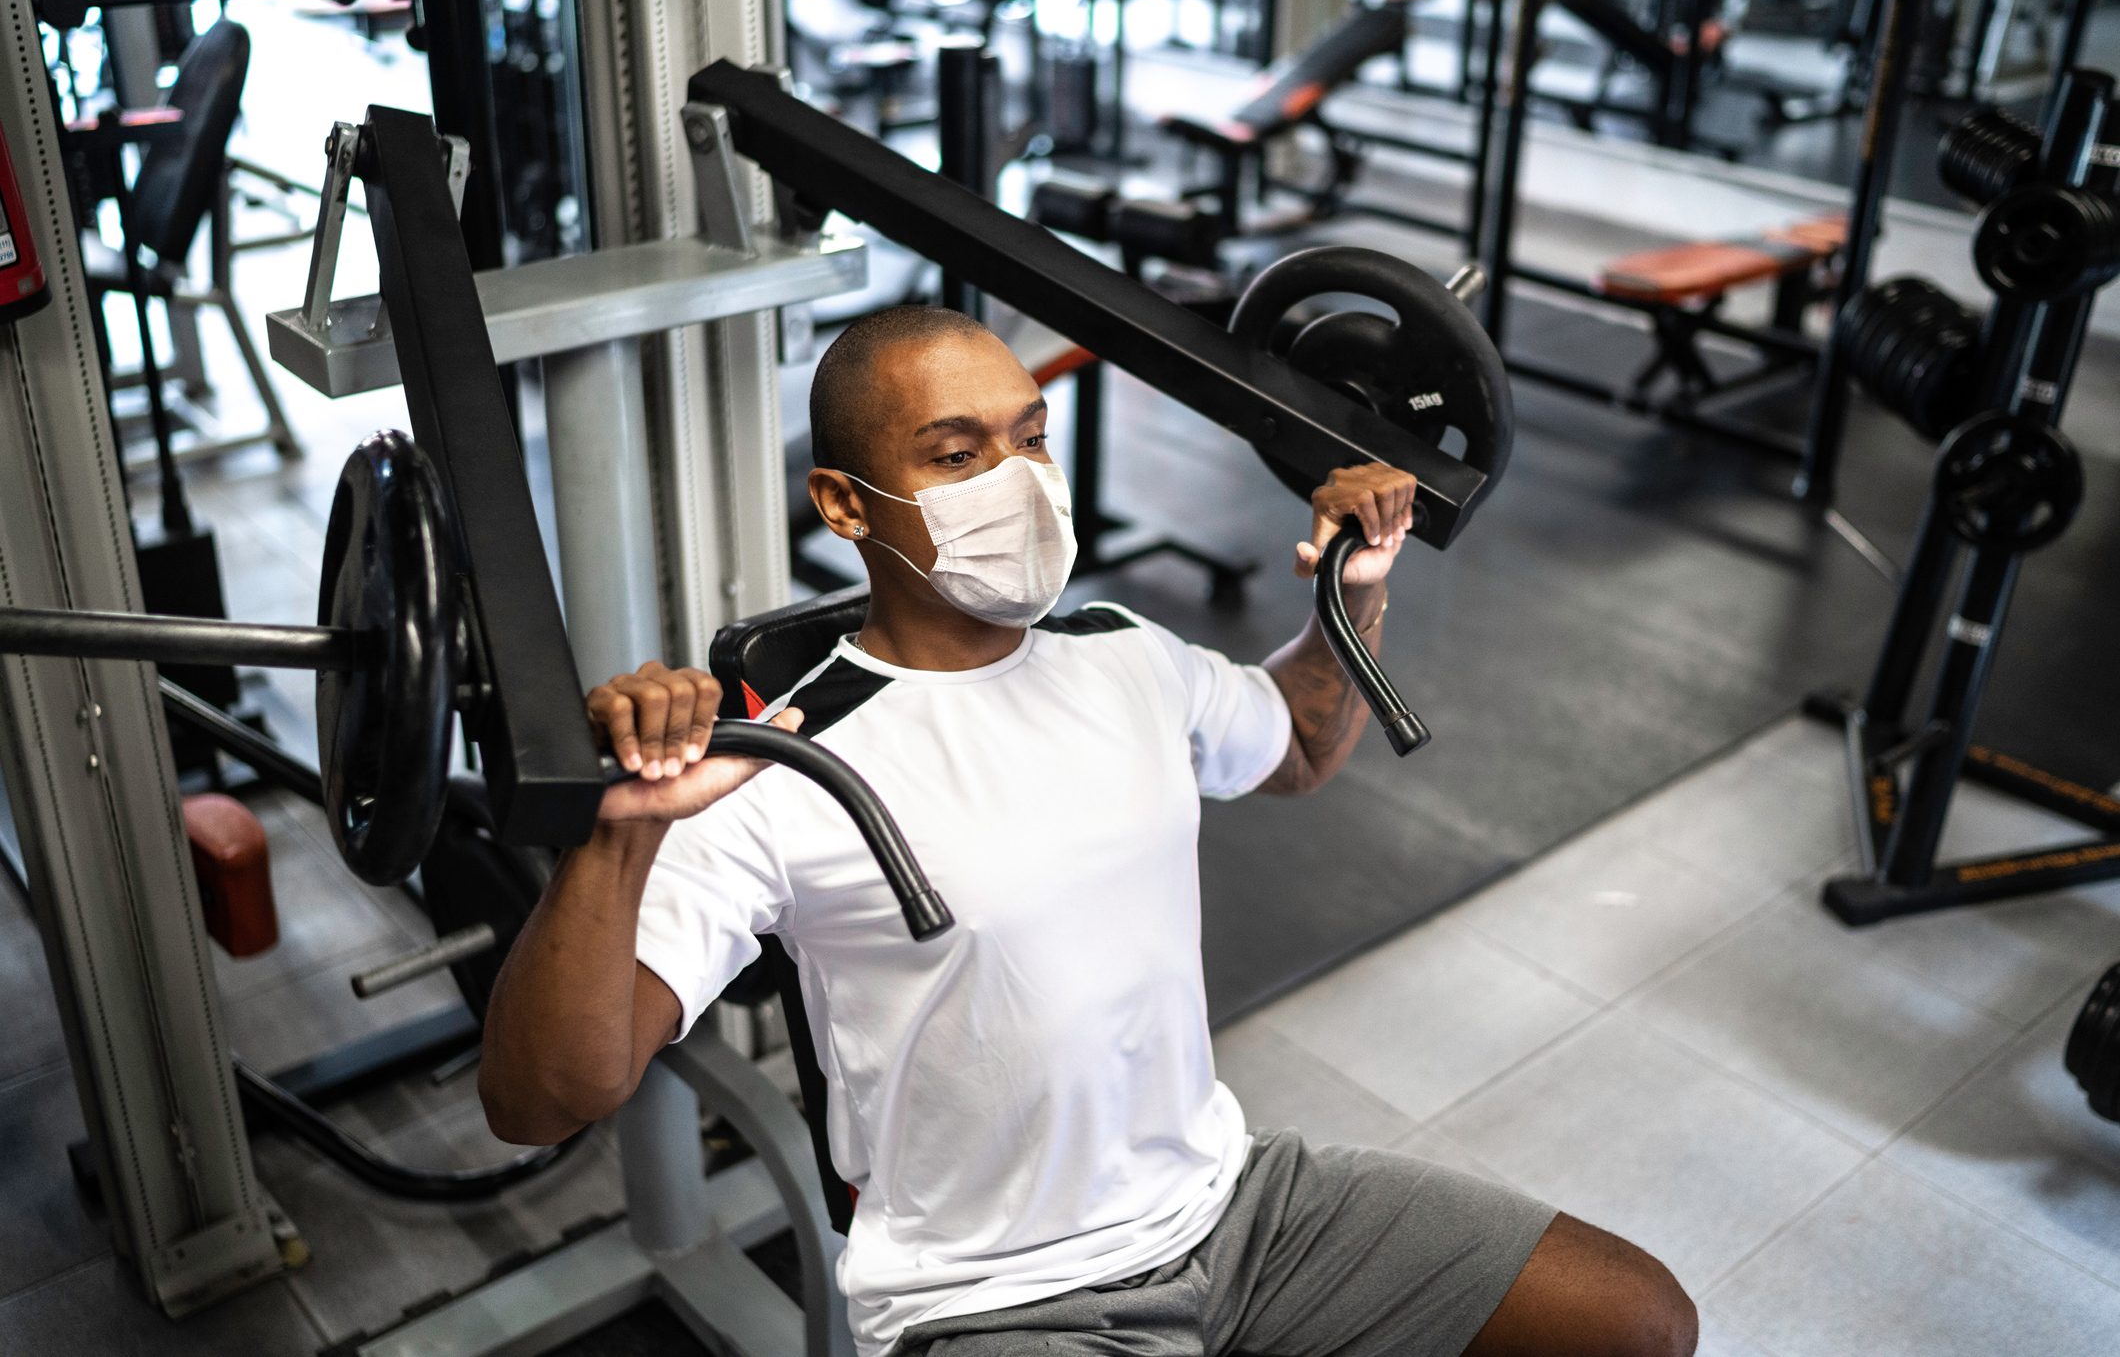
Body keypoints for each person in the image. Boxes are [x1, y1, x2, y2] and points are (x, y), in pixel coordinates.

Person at [479, 306, 1697, 1357]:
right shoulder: (785, 761)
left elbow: (1301, 743)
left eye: (1028, 439)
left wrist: (1355, 581)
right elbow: (542, 1098)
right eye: (957, 454)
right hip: (996, 1299)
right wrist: (616, 836)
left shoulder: (1122, 652)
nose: (1015, 481)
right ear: (846, 502)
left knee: (1633, 1318)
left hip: (1234, 1206)